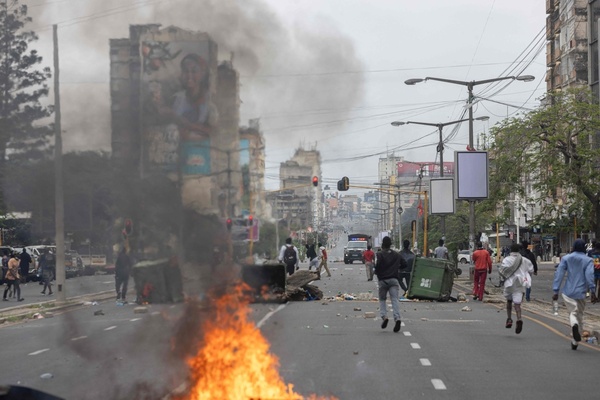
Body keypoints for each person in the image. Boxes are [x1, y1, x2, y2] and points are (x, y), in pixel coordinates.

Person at [553, 239, 597, 350]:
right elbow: (589, 275)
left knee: (572, 313)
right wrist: (592, 290)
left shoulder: (566, 258)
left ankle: (574, 331)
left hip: (568, 292)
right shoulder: (588, 260)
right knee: (580, 315)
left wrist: (555, 290)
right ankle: (575, 340)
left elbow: (559, 274)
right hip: (581, 292)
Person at [499, 243, 534, 335]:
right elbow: (531, 270)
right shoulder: (525, 260)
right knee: (517, 304)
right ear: (519, 250)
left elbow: (502, 271)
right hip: (520, 283)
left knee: (509, 301)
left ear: (510, 250)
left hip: (509, 284)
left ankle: (509, 319)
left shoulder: (506, 260)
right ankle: (519, 318)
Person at [374, 236, 406, 333]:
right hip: (394, 280)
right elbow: (405, 264)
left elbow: (377, 266)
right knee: (395, 299)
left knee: (383, 300)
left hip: (383, 280)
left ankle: (384, 317)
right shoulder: (397, 255)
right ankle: (397, 318)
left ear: (383, 244)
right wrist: (397, 267)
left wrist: (377, 272)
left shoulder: (379, 254)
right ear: (390, 244)